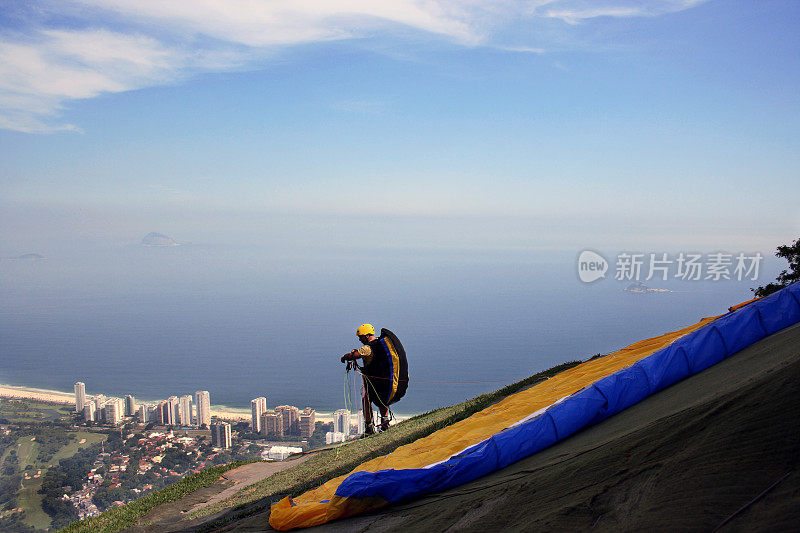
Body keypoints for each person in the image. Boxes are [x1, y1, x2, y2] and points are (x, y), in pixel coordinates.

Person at [341, 323, 391, 434]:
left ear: (367, 336)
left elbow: (356, 355)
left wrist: (345, 357)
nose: (360, 339)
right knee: (383, 400)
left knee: (366, 401)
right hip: (385, 377)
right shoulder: (381, 343)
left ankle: (369, 428)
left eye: (361, 337)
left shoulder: (368, 347)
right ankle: (385, 422)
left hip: (372, 380)